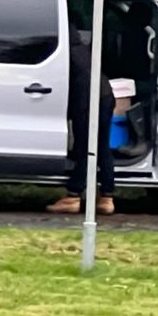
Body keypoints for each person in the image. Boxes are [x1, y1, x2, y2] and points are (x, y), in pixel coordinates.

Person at [48, 28, 115, 216]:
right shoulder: (82, 50)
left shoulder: (66, 53)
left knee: (85, 147)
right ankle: (107, 197)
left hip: (88, 100)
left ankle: (73, 195)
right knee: (102, 146)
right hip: (105, 95)